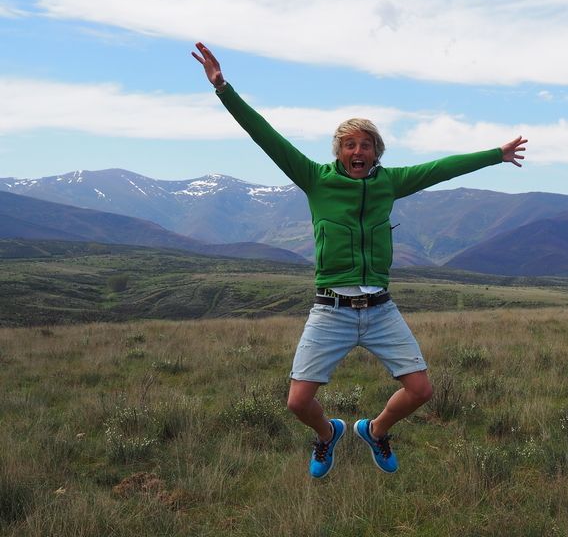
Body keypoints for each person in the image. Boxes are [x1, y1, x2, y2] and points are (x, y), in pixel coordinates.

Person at [191, 42, 526, 477]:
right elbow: (266, 137)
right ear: (339, 151)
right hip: (331, 309)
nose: (357, 152)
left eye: (365, 145)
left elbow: (441, 168)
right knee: (298, 402)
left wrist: (495, 155)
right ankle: (327, 434)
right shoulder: (314, 179)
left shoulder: (390, 182)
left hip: (380, 309)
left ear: (376, 152)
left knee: (421, 390)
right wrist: (224, 89)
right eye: (349, 145)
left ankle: (375, 429)